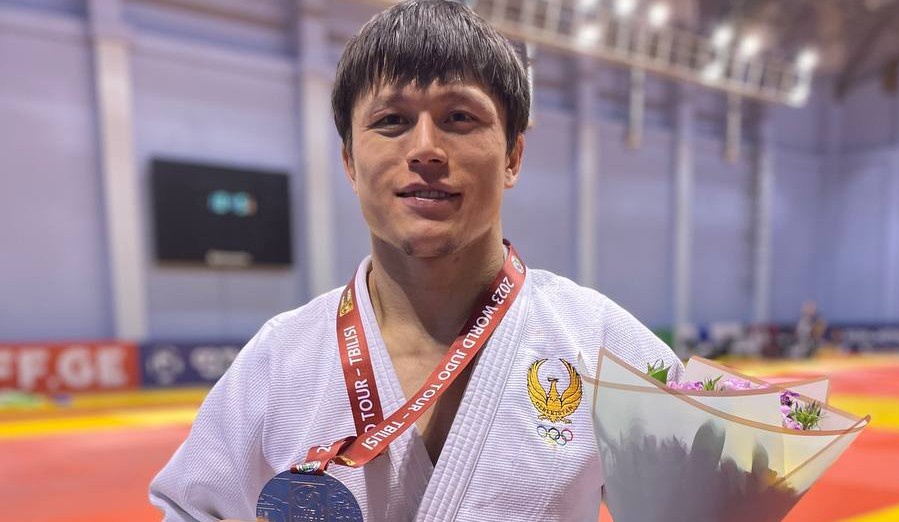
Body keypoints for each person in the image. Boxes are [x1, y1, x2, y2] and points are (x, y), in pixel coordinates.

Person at [149, 1, 682, 520]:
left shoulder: (603, 344)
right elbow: (190, 509)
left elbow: (696, 503)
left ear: (513, 156)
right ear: (350, 162)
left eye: (459, 117)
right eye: (391, 120)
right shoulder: (280, 359)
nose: (426, 148)